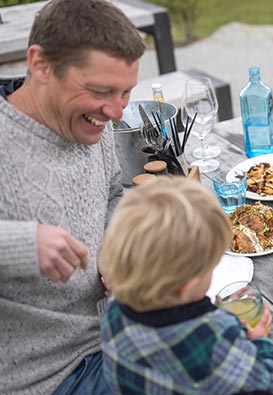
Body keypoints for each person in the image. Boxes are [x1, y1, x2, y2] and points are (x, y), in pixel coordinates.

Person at [0, 0, 145, 393]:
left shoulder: (90, 121)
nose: (116, 111)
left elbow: (114, 192)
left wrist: (115, 248)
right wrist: (17, 244)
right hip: (47, 376)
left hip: (113, 331)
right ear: (40, 65)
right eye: (101, 91)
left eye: (126, 92)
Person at [99, 177, 273, 394]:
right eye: (210, 267)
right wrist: (262, 341)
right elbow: (268, 385)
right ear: (186, 287)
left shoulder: (113, 313)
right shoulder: (212, 338)